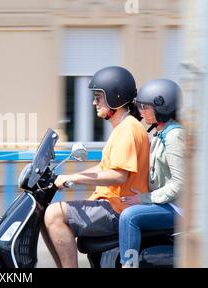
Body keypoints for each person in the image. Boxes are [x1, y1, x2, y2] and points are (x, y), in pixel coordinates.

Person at [41, 66, 150, 268]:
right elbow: (103, 167)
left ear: (115, 97)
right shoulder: (123, 128)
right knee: (46, 215)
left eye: (98, 97)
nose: (94, 102)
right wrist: (69, 176)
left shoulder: (128, 130)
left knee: (54, 214)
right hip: (113, 204)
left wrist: (75, 179)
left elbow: (118, 176)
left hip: (118, 208)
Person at [118, 79, 185, 268]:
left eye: (145, 107)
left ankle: (128, 265)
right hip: (167, 203)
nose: (140, 111)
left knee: (130, 216)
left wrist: (146, 198)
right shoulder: (158, 133)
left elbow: (179, 183)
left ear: (162, 106)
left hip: (180, 208)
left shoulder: (174, 136)